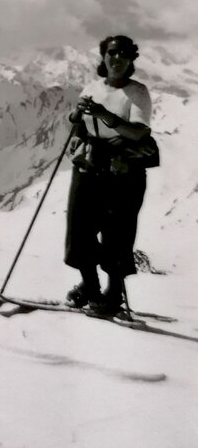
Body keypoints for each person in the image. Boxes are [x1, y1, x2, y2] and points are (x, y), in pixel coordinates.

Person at [64, 34, 155, 314]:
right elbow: (80, 124)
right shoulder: (91, 88)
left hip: (122, 168)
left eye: (123, 53)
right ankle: (91, 288)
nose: (117, 58)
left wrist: (105, 115)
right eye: (112, 52)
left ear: (131, 59)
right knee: (80, 227)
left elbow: (138, 132)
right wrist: (77, 119)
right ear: (104, 56)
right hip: (92, 163)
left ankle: (113, 294)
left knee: (117, 233)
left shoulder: (137, 92)